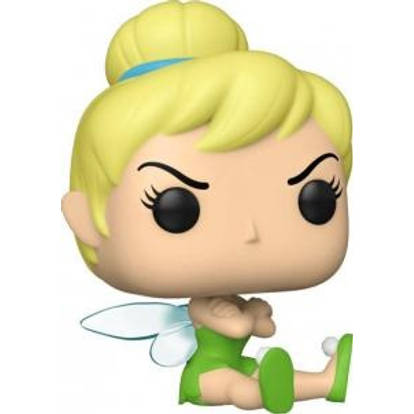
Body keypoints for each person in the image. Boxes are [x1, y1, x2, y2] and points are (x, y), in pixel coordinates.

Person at [62, 1, 353, 412]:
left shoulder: (223, 299)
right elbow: (237, 326)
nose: (251, 231)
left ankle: (327, 381)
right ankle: (262, 393)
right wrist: (251, 316)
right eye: (176, 208)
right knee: (240, 387)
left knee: (255, 374)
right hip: (207, 377)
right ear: (84, 221)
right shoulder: (203, 306)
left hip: (235, 363)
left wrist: (256, 317)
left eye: (315, 198)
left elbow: (260, 328)